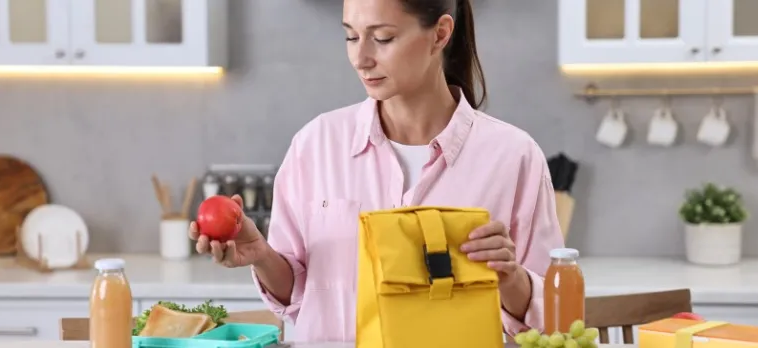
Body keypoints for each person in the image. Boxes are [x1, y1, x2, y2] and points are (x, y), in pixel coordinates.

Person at [188, 0, 564, 342]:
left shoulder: (513, 156)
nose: (360, 58)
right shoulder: (316, 145)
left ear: (440, 34)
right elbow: (299, 297)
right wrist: (262, 256)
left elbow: (557, 318)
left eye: (382, 38)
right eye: (351, 37)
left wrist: (510, 277)